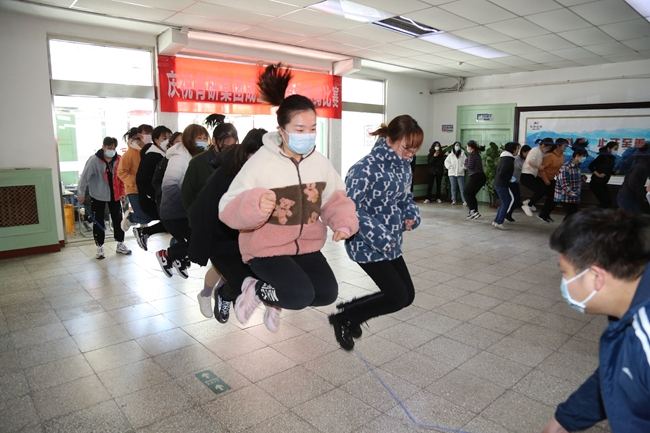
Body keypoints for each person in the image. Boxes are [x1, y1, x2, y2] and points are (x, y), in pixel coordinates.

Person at [219, 63, 359, 333]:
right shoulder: (261, 163)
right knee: (298, 295)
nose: (307, 135)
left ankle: (274, 295)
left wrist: (342, 222)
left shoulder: (319, 162)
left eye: (312, 128)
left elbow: (335, 199)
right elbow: (226, 207)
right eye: (299, 129)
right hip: (266, 248)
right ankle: (254, 287)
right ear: (282, 130)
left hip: (306, 245)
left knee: (326, 293)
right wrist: (254, 205)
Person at [542, 208, 650, 433]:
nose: (563, 283)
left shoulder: (646, 338)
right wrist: (564, 421)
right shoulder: (631, 312)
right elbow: (620, 370)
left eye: (564, 273)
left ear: (596, 277)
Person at [328, 115, 422, 351]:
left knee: (406, 296)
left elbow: (405, 198)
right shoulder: (364, 168)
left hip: (391, 242)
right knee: (397, 296)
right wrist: (380, 236)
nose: (409, 155)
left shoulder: (404, 167)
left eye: (414, 150)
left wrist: (410, 214)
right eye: (406, 148)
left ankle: (351, 312)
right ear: (389, 139)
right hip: (366, 243)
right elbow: (350, 208)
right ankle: (346, 317)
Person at [190, 128, 266, 323]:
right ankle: (215, 294)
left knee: (253, 277)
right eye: (256, 154)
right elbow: (204, 208)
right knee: (241, 279)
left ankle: (222, 294)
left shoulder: (257, 172)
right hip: (218, 235)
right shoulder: (229, 173)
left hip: (240, 236)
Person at [182, 119, 238, 319]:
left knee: (231, 266)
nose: (228, 150)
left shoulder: (239, 162)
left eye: (232, 145)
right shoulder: (198, 163)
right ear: (214, 142)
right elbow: (187, 195)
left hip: (232, 224)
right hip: (209, 224)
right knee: (223, 266)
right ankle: (209, 294)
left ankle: (219, 294)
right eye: (224, 146)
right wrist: (197, 220)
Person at [157, 124, 207, 278]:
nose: (203, 141)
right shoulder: (179, 158)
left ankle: (176, 258)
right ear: (189, 139)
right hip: (174, 213)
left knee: (199, 241)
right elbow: (168, 186)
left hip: (187, 212)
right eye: (199, 138)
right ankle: (167, 255)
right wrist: (188, 201)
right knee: (195, 243)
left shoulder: (197, 157)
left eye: (205, 138)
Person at [77, 137, 131, 259]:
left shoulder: (119, 159)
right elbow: (84, 178)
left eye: (113, 148)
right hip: (98, 195)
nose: (111, 150)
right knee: (98, 220)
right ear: (103, 147)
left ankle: (120, 243)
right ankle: (100, 246)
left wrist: (124, 192)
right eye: (108, 147)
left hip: (115, 196)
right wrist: (81, 194)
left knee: (118, 219)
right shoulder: (94, 161)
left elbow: (122, 178)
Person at [132, 125, 172, 251]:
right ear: (156, 140)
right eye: (164, 138)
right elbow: (142, 180)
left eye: (170, 138)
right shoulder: (151, 156)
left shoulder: (166, 155)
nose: (168, 141)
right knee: (172, 220)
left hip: (163, 196)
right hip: (154, 198)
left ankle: (145, 232)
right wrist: (154, 195)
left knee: (173, 222)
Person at [119, 124, 153, 232]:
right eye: (146, 133)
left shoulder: (151, 151)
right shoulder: (129, 154)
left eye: (150, 133)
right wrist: (135, 182)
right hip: (134, 190)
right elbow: (121, 172)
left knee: (150, 215)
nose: (149, 136)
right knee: (145, 217)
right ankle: (131, 217)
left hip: (147, 189)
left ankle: (140, 224)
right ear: (139, 135)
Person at [537, 138, 569, 223]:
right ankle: (543, 213)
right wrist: (545, 180)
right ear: (558, 146)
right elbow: (542, 169)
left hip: (552, 179)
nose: (565, 147)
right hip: (544, 179)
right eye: (564, 146)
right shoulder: (550, 156)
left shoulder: (562, 156)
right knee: (552, 196)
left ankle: (545, 214)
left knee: (555, 197)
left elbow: (559, 169)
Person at [521, 138, 554, 216]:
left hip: (532, 175)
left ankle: (529, 202)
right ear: (543, 145)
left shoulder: (539, 152)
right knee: (540, 191)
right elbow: (530, 162)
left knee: (543, 190)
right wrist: (540, 167)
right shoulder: (535, 150)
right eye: (547, 148)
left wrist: (538, 172)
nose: (547, 150)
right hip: (526, 175)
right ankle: (528, 205)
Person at [553, 147, 588, 221]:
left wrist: (582, 178)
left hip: (572, 196)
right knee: (571, 214)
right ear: (577, 155)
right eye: (583, 156)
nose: (584, 158)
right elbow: (564, 183)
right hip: (565, 196)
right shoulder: (566, 167)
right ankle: (565, 227)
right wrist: (574, 193)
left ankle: (567, 227)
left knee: (573, 214)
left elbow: (574, 179)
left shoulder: (577, 167)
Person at [492, 142, 520, 230]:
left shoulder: (504, 158)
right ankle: (499, 222)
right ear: (513, 150)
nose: (518, 151)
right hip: (502, 184)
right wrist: (510, 178)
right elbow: (502, 173)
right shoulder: (508, 160)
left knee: (505, 202)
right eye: (517, 148)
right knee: (506, 202)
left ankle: (496, 221)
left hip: (499, 183)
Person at [617, 142, 650, 215]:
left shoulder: (642, 164)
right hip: (628, 197)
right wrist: (641, 194)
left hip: (629, 196)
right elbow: (632, 181)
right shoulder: (641, 166)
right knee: (634, 219)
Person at [589, 141, 619, 208]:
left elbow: (607, 170)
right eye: (615, 149)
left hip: (603, 183)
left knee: (608, 202)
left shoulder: (612, 158)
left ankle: (598, 213)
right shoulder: (603, 156)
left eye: (617, 149)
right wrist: (598, 174)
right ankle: (593, 213)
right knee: (605, 203)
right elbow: (591, 166)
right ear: (608, 148)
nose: (616, 151)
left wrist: (614, 172)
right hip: (596, 183)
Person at [506, 144, 530, 222]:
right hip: (510, 181)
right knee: (514, 199)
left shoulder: (527, 160)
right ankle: (507, 214)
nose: (528, 155)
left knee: (517, 199)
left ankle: (508, 213)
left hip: (516, 182)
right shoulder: (515, 159)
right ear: (523, 152)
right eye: (527, 153)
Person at [463, 140, 486, 220]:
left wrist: (465, 163)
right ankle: (473, 211)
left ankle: (474, 211)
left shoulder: (473, 155)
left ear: (470, 147)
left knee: (466, 193)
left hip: (477, 176)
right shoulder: (476, 154)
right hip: (479, 176)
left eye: (467, 146)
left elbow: (470, 166)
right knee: (471, 194)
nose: (467, 148)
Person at [444, 141, 467, 205]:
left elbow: (466, 162)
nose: (457, 146)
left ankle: (464, 200)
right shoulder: (450, 155)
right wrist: (450, 167)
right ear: (454, 146)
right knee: (453, 187)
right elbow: (446, 162)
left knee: (462, 187)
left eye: (458, 145)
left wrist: (462, 167)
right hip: (452, 173)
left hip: (460, 173)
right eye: (456, 145)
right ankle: (453, 199)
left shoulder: (463, 154)